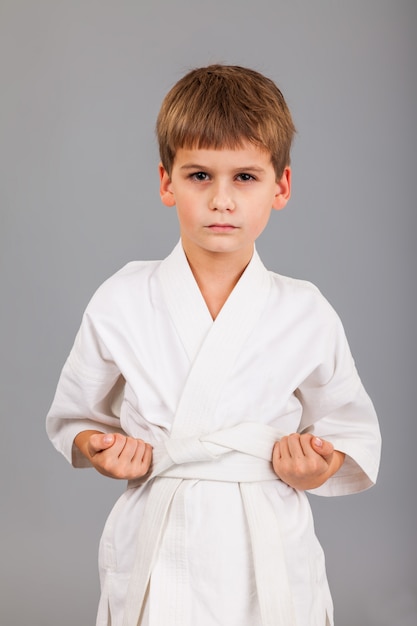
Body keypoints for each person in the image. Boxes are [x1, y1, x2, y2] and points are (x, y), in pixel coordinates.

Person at [46, 64, 381, 626]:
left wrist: (315, 468)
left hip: (266, 543)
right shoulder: (122, 298)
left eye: (245, 177)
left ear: (281, 187)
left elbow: (348, 429)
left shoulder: (306, 310)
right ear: (165, 182)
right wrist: (100, 449)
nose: (222, 200)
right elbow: (73, 419)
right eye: (200, 175)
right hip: (160, 538)